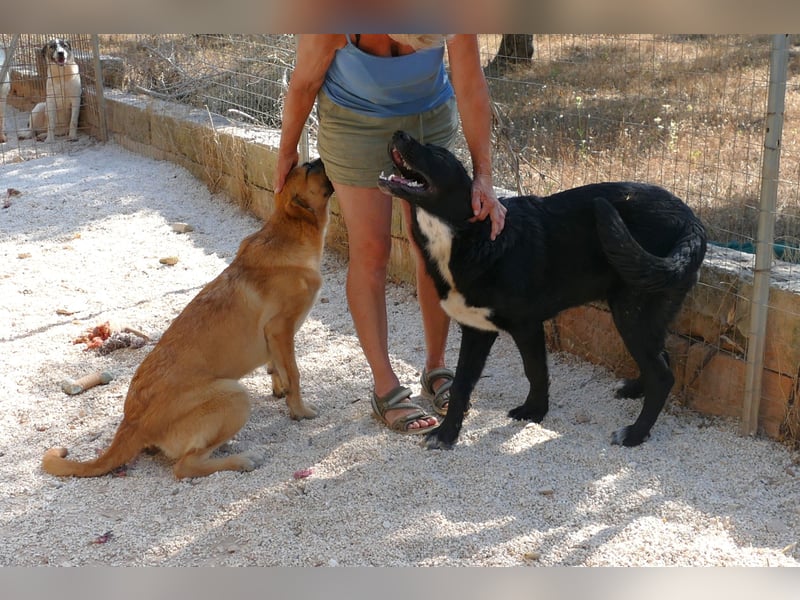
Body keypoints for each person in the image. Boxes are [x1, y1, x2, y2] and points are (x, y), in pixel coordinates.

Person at [274, 34, 506, 434]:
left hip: (427, 117)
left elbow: (470, 84)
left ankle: (436, 366)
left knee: (433, 247)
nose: (424, 45)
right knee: (372, 250)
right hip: (353, 124)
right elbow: (304, 83)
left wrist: (483, 175)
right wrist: (286, 153)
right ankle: (385, 387)